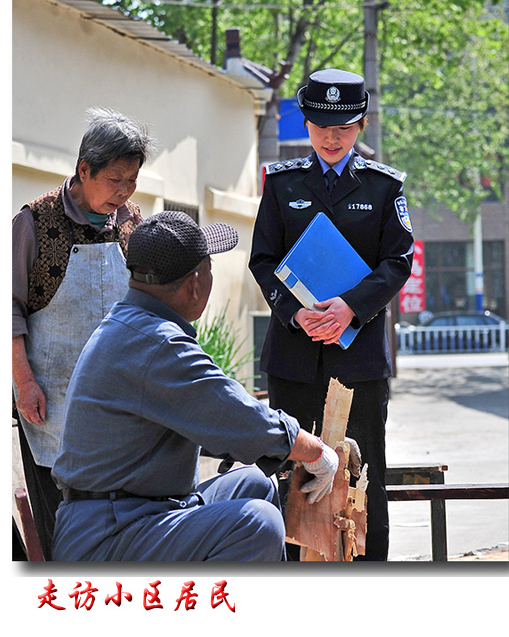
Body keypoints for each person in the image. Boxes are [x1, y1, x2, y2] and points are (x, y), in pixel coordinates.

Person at [50, 211, 339, 562]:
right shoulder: (157, 344)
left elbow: (223, 416)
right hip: (107, 536)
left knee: (255, 483)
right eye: (209, 268)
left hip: (131, 511)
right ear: (195, 283)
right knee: (258, 523)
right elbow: (238, 416)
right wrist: (316, 452)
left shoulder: (132, 322)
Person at [249, 68, 414, 561]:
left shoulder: (385, 188)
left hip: (358, 358)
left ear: (361, 124)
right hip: (294, 359)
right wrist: (296, 314)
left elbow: (398, 261)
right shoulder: (282, 185)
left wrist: (351, 307)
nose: (332, 137)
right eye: (321, 125)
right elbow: (263, 260)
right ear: (305, 123)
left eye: (344, 126)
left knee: (363, 475)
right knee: (289, 471)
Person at [12, 107, 156, 558]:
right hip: (53, 405)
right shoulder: (34, 223)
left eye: (131, 180)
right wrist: (24, 382)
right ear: (83, 170)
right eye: (115, 179)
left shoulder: (131, 221)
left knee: (121, 530)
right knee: (65, 531)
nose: (124, 191)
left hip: (123, 405)